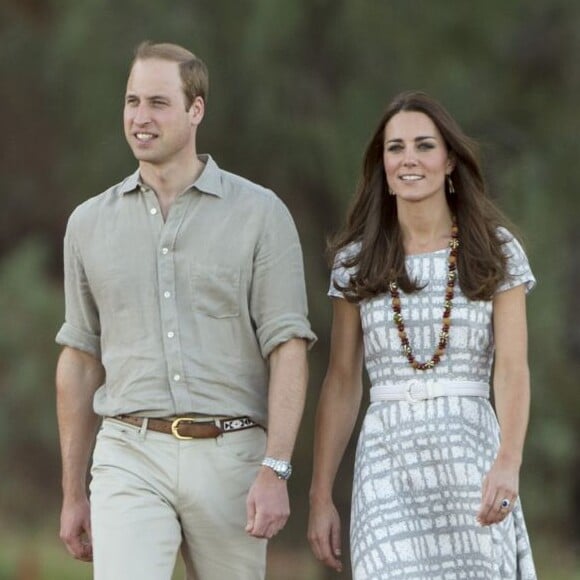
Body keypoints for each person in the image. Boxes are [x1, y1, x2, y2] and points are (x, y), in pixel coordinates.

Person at [55, 41, 316, 580]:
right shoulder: (87, 224)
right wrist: (72, 491)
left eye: (157, 103)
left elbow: (288, 347)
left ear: (196, 110)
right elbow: (79, 358)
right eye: (131, 102)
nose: (139, 118)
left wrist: (276, 468)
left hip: (232, 457)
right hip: (129, 450)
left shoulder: (260, 214)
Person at [307, 90, 537, 579]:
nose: (408, 159)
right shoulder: (355, 261)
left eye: (424, 146)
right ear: (382, 165)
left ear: (450, 160)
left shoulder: (496, 251)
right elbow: (343, 381)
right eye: (395, 148)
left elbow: (513, 370)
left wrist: (508, 462)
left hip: (470, 460)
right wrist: (321, 494)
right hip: (387, 463)